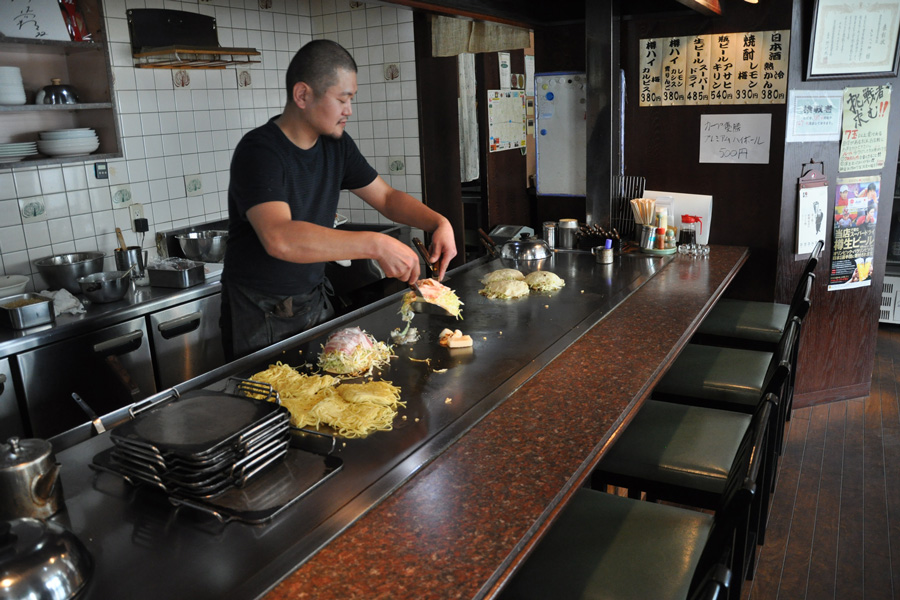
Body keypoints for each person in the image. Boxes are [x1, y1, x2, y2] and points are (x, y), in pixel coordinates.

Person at [221, 40, 456, 361]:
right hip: (260, 309)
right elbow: (280, 237)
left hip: (313, 296)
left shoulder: (336, 145)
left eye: (351, 99)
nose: (349, 109)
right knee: (273, 403)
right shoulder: (260, 151)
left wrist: (438, 222)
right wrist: (375, 244)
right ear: (303, 95)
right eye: (342, 99)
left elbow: (386, 197)